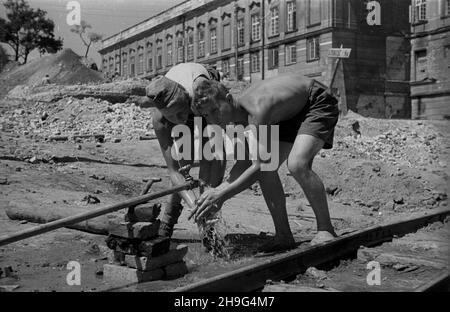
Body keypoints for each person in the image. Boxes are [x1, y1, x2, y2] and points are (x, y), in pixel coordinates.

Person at [189, 72, 339, 252]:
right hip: (286, 115)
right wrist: (218, 191)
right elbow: (245, 163)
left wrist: (222, 195)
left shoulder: (256, 110)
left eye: (215, 110)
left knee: (297, 164)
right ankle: (284, 235)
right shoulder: (236, 122)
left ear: (228, 99)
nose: (212, 119)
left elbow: (258, 165)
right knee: (268, 170)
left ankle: (325, 229)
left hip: (314, 101)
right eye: (206, 115)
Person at [137, 63, 226, 238]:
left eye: (181, 112)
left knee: (209, 159)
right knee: (183, 163)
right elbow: (174, 171)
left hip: (201, 101)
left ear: (186, 98)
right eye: (173, 116)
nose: (180, 119)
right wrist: (194, 205)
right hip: (184, 106)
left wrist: (209, 203)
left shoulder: (202, 94)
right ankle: (168, 221)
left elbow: (218, 159)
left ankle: (209, 228)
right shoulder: (160, 119)